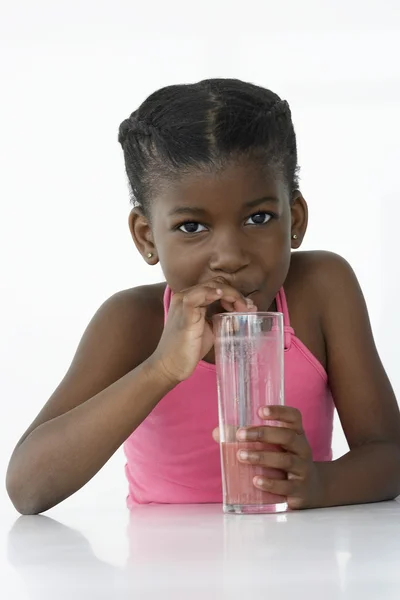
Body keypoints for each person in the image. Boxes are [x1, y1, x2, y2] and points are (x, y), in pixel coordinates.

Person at [6, 79, 400, 515]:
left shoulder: (323, 289)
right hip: (162, 580)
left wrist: (321, 483)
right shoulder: (132, 322)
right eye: (193, 227)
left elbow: (390, 455)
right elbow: (28, 487)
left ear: (296, 218)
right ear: (146, 236)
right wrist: (161, 368)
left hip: (295, 568)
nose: (230, 257)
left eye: (259, 217)